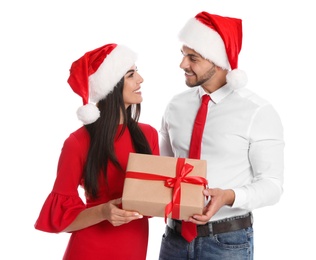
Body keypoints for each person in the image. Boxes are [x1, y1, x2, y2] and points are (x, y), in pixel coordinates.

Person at [158, 11, 284, 260]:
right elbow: (165, 170)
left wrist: (228, 196)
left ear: (218, 61)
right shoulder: (175, 106)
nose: (182, 65)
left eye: (192, 58)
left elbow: (272, 186)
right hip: (173, 238)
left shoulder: (257, 111)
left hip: (227, 242)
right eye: (183, 55)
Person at [34, 43, 160, 260]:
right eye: (131, 74)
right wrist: (103, 212)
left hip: (134, 247)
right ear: (111, 87)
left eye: (136, 71)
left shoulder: (148, 134)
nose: (140, 79)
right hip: (89, 249)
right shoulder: (78, 142)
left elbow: (156, 197)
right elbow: (60, 219)